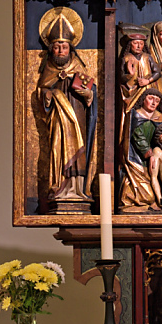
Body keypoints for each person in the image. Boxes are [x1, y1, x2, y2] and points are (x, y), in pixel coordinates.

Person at [35, 11, 97, 203]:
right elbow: (41, 91)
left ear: (71, 48)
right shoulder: (49, 71)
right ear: (51, 50)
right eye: (56, 47)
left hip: (77, 118)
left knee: (77, 150)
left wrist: (88, 94)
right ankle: (60, 188)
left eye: (64, 47)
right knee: (58, 150)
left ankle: (77, 189)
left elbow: (91, 94)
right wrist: (48, 95)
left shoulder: (78, 69)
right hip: (58, 122)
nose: (60, 51)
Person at [119, 88, 162, 210]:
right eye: (150, 99)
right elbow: (137, 135)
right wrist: (149, 154)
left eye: (157, 100)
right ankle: (131, 200)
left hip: (155, 156)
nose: (154, 103)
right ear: (143, 99)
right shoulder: (135, 115)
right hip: (135, 156)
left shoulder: (160, 118)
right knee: (145, 192)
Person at [118, 31, 162, 120]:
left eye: (141, 43)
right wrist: (130, 75)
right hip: (133, 91)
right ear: (130, 44)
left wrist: (148, 81)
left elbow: (157, 72)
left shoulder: (147, 57)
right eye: (135, 43)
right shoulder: (126, 59)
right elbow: (121, 78)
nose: (138, 46)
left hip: (148, 89)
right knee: (134, 113)